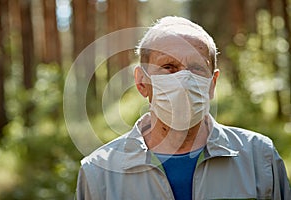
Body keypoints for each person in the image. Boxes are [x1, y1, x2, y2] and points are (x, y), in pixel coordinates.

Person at [76, 16, 291, 200]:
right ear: (142, 82)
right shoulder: (99, 173)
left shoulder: (259, 158)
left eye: (197, 68)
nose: (184, 79)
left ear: (212, 84)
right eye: (168, 67)